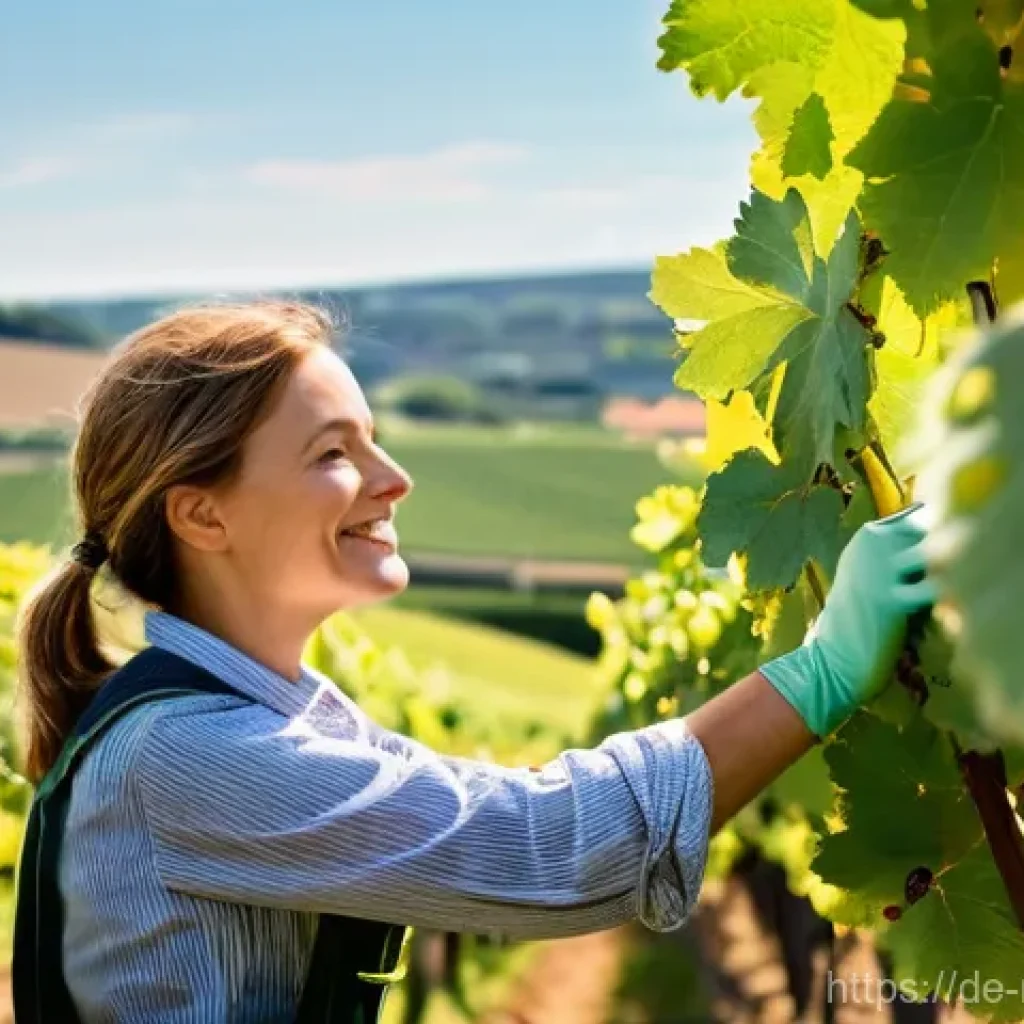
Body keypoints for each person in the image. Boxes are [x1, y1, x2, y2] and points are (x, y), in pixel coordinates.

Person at [12, 301, 935, 1023]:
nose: (393, 477)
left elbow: (522, 817)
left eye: (374, 436)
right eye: (334, 452)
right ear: (202, 515)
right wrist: (820, 672)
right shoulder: (192, 758)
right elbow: (555, 845)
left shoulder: (276, 725)